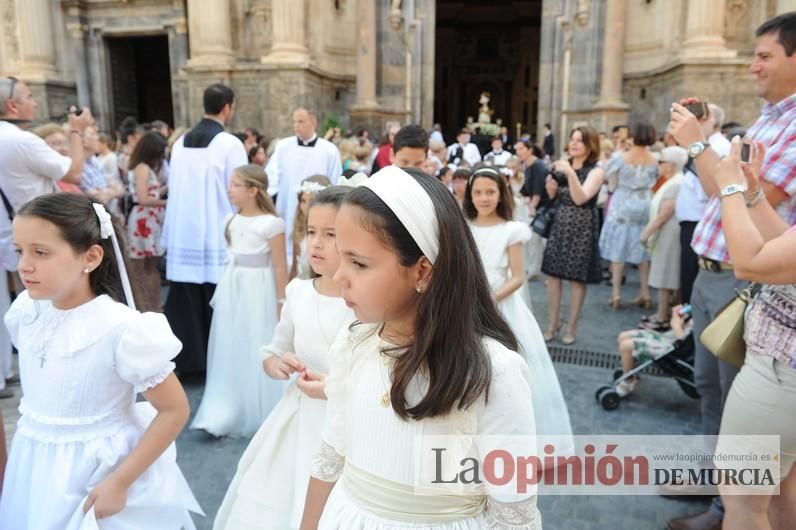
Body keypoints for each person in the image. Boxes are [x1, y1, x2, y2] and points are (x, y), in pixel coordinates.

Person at [299, 166, 540, 529]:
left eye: (358, 263)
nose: (338, 277)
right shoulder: (355, 345)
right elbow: (331, 455)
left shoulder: (491, 372)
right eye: (341, 257)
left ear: (422, 271)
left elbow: (513, 513)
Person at [665, 12, 796, 530]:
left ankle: (728, 507)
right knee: (710, 386)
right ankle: (710, 479)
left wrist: (699, 145)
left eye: (765, 55)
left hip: (750, 279)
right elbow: (741, 191)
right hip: (714, 270)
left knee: (741, 402)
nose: (752, 66)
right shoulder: (770, 117)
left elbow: (736, 196)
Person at [0, 194, 201, 528]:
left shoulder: (121, 329)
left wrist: (120, 481)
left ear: (91, 257)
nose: (24, 265)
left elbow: (174, 408)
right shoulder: (26, 312)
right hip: (34, 464)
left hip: (99, 473)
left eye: (41, 252)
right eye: (21, 251)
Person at [215, 186, 355, 529]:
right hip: (300, 418)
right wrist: (277, 364)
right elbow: (275, 350)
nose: (316, 243)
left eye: (330, 235)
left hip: (349, 423)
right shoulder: (299, 292)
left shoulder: (367, 302)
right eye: (310, 232)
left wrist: (335, 387)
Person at [712, 136, 796, 530]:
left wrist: (728, 187)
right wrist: (753, 194)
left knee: (742, 500)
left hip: (779, 380)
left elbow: (750, 263)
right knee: (783, 497)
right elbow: (786, 249)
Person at [465, 166, 574, 455]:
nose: (484, 198)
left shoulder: (511, 231)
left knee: (507, 370)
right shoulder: (465, 227)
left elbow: (517, 277)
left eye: (490, 192)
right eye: (478, 192)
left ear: (501, 194)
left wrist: (489, 298)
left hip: (501, 306)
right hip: (469, 305)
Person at [191, 164, 288, 437]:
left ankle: (261, 405)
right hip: (234, 287)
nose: (229, 190)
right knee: (232, 342)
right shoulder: (230, 221)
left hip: (259, 290)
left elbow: (280, 266)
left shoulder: (272, 224)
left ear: (254, 190)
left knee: (257, 338)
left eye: (235, 185)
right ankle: (227, 405)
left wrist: (281, 302)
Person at [162, 83, 248, 375]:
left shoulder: (179, 142)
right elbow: (240, 190)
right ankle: (218, 362)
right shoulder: (230, 144)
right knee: (216, 297)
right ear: (227, 107)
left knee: (185, 300)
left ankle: (189, 364)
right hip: (215, 232)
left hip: (183, 232)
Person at [541, 126, 604, 345]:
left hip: (582, 228)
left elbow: (580, 198)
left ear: (590, 145)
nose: (574, 143)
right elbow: (553, 196)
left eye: (580, 140)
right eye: (572, 139)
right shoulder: (561, 167)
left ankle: (572, 326)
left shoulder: (596, 170)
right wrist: (550, 188)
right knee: (553, 277)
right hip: (560, 225)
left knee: (577, 281)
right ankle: (553, 323)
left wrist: (569, 173)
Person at [0, 77, 93, 210]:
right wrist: (76, 130)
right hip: (31, 228)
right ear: (12, 105)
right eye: (29, 97)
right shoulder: (23, 141)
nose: (35, 104)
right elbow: (74, 174)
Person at [268, 108, 342, 260]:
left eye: (301, 121)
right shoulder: (283, 147)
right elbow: (272, 176)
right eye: (294, 122)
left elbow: (335, 181)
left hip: (316, 208)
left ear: (313, 122)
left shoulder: (329, 150)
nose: (296, 126)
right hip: (287, 206)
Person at [675, 103, 730, 305]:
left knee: (692, 280)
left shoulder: (719, 147)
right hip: (693, 222)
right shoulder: (707, 146)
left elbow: (713, 190)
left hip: (699, 220)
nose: (694, 121)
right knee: (688, 279)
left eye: (701, 116)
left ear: (713, 120)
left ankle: (688, 330)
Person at [599, 122, 658, 310]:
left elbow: (607, 174)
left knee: (619, 248)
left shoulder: (621, 157)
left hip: (623, 201)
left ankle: (616, 294)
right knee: (643, 248)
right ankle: (645, 292)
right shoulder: (655, 158)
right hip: (645, 201)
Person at [640, 146, 687, 330]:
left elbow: (664, 214)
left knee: (665, 275)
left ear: (671, 165)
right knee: (665, 274)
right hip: (668, 231)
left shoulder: (676, 183)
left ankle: (662, 316)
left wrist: (646, 233)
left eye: (661, 162)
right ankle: (663, 314)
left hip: (668, 233)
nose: (657, 165)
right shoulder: (672, 181)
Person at [126, 131, 168, 312]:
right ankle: (150, 306)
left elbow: (150, 194)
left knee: (147, 266)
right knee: (146, 267)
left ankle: (150, 305)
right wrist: (168, 202)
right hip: (145, 218)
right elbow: (144, 198)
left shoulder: (141, 167)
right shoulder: (143, 168)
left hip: (148, 218)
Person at [614, 305, 693, 397]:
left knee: (626, 346)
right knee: (623, 336)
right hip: (672, 338)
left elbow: (684, 343)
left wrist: (676, 325)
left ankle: (628, 381)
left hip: (676, 348)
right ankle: (629, 371)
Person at [517, 140, 550, 279]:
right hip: (533, 205)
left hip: (541, 207)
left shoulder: (538, 166)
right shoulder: (528, 166)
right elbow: (526, 188)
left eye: (521, 149)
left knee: (535, 240)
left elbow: (538, 189)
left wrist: (532, 207)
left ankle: (534, 270)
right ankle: (530, 267)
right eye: (516, 149)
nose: (518, 152)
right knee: (530, 240)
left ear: (530, 150)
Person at [291, 176, 332, 280]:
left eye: (312, 201)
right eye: (303, 201)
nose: (306, 206)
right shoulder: (299, 230)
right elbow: (295, 266)